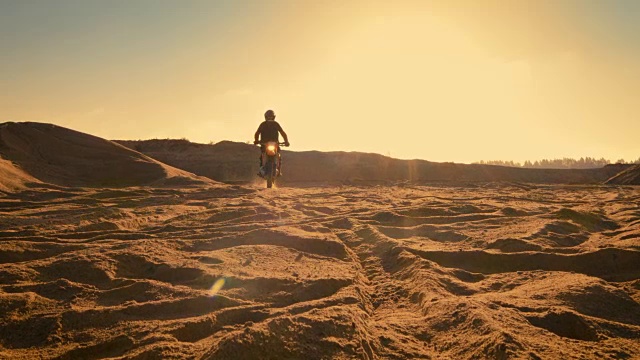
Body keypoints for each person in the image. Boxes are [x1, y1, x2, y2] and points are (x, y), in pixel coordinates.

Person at [254, 110, 289, 176]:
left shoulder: (276, 124)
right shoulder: (263, 124)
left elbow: (282, 133)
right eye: (268, 117)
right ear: (265, 117)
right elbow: (257, 133)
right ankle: (261, 170)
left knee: (278, 155)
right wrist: (256, 140)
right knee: (262, 156)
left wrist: (286, 141)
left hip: (275, 144)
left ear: (273, 117)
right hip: (264, 144)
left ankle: (279, 170)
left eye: (271, 117)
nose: (269, 118)